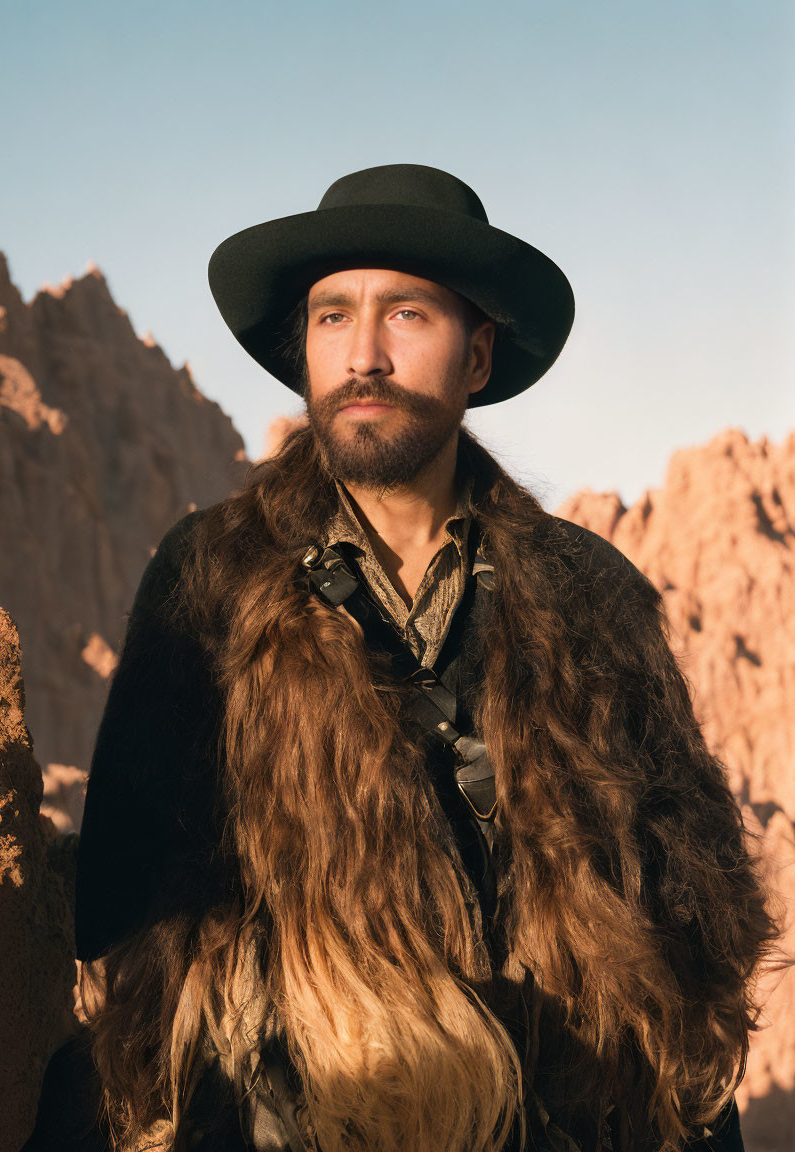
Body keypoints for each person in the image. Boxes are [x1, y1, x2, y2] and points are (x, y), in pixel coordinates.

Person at [72, 164, 775, 1152]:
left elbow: (684, 930)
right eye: (330, 317)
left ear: (476, 356)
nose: (361, 354)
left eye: (405, 315)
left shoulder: (590, 595)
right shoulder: (209, 578)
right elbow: (124, 908)